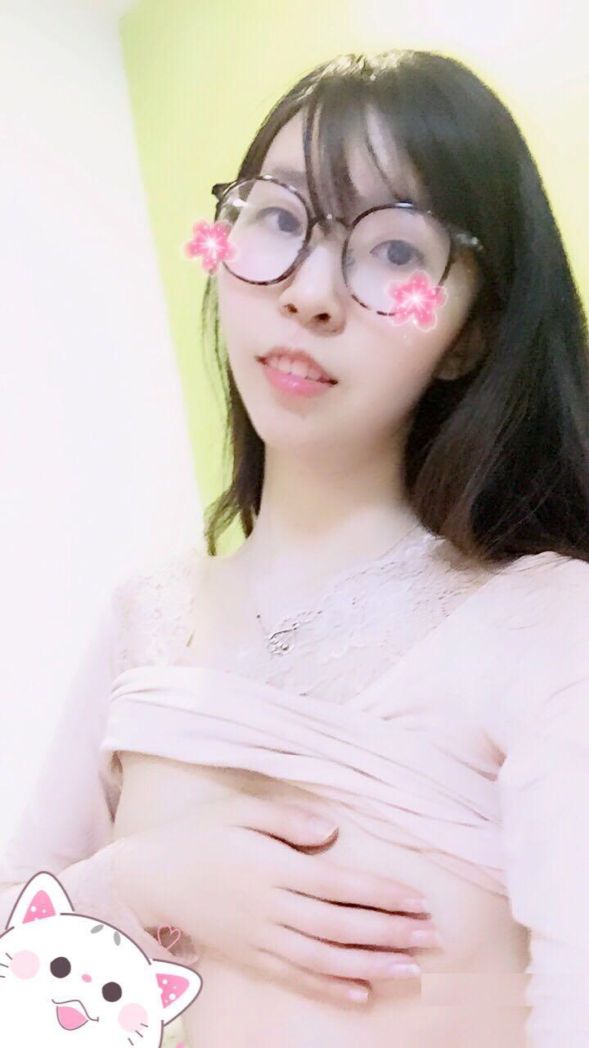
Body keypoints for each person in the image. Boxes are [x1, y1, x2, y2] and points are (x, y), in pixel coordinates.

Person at [2, 48, 589, 1048]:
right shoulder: (148, 616)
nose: (310, 291)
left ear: (469, 332)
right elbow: (16, 968)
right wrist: (147, 879)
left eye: (395, 249)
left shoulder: (549, 623)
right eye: (277, 219)